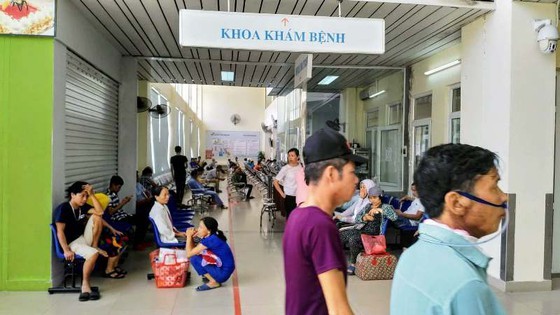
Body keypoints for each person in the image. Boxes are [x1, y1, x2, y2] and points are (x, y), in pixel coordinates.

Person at [390, 144, 507, 315]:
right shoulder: (466, 285)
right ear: (457, 203)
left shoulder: (412, 255)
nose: (504, 197)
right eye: (494, 186)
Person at [283, 128, 367, 315]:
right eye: (352, 172)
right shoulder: (319, 225)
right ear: (331, 174)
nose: (355, 180)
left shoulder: (298, 216)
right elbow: (338, 309)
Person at [52, 182, 111, 301]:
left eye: (86, 196)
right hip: (72, 243)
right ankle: (85, 285)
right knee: (93, 254)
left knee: (97, 217)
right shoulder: (63, 208)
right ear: (72, 195)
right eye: (82, 196)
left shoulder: (81, 208)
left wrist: (92, 195)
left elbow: (100, 212)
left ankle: (94, 245)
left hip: (83, 238)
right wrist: (66, 250)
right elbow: (60, 232)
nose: (84, 199)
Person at [340, 186, 397, 275]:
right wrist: (365, 218)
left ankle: (353, 264)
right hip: (362, 230)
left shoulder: (386, 207)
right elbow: (358, 218)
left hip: (374, 235)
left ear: (380, 197)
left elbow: (394, 217)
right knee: (341, 235)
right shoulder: (368, 206)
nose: (372, 200)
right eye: (370, 198)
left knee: (353, 239)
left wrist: (380, 210)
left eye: (375, 198)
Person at [186, 217, 236, 291]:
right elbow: (194, 250)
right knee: (197, 255)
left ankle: (213, 282)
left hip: (223, 274)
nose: (198, 229)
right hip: (224, 270)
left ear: (208, 230)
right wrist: (191, 237)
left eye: (201, 227)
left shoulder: (211, 240)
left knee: (193, 258)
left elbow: (189, 254)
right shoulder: (213, 236)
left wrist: (188, 236)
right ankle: (212, 275)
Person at [273, 148, 303, 219]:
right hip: (289, 197)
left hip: (300, 197)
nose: (290, 157)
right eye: (289, 156)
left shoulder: (301, 167)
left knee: (300, 219)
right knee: (291, 218)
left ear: (298, 157)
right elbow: (275, 182)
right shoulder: (285, 168)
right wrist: (282, 194)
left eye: (292, 155)